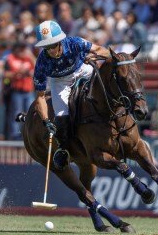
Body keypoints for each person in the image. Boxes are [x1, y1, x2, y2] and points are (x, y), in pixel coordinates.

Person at [31, 20, 110, 170]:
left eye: (53, 44)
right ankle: (64, 149)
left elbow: (103, 50)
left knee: (105, 87)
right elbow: (40, 97)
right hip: (59, 81)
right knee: (61, 115)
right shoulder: (42, 62)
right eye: (46, 46)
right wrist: (46, 121)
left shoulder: (74, 42)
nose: (51, 50)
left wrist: (94, 56)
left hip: (82, 69)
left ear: (60, 40)